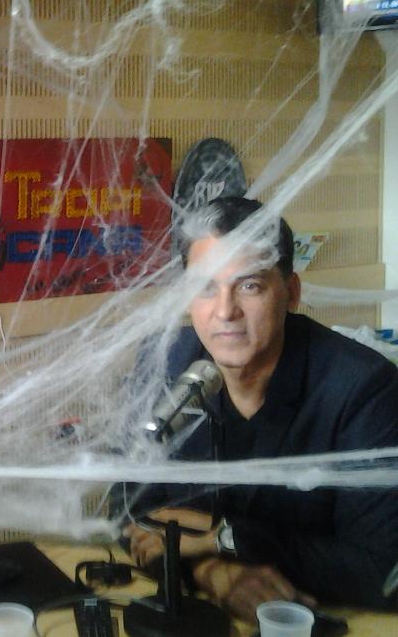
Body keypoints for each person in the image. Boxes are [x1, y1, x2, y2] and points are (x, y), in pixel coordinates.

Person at [124, 196, 398, 622]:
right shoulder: (163, 364)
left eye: (249, 286)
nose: (225, 311)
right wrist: (212, 572)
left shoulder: (363, 388)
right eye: (206, 288)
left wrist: (225, 538)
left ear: (291, 293)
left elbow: (382, 570)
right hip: (197, 612)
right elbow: (128, 514)